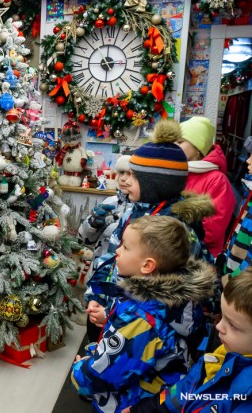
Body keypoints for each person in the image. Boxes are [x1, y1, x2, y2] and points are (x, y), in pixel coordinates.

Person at [84, 119, 214, 340]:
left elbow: (165, 294)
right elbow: (112, 256)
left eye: (134, 176)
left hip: (141, 330)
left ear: (156, 183)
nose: (126, 180)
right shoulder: (133, 211)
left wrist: (115, 312)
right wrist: (98, 294)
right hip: (114, 313)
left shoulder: (175, 230)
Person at [72, 216, 217, 413]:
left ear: (147, 266)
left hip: (129, 401)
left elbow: (104, 375)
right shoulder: (169, 298)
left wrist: (80, 369)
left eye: (125, 247)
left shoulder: (140, 318)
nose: (117, 250)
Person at [123, 268, 252, 413]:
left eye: (233, 325)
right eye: (222, 316)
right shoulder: (221, 352)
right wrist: (145, 409)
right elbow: (183, 390)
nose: (219, 326)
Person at [79, 154, 132, 342]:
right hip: (98, 279)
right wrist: (93, 222)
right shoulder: (109, 202)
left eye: (130, 174)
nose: (124, 178)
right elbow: (84, 238)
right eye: (121, 173)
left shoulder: (141, 211)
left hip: (122, 287)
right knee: (93, 335)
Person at [177, 116, 235, 257]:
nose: (174, 146)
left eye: (180, 141)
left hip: (199, 256)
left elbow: (213, 226)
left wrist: (176, 241)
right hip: (170, 251)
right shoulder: (176, 171)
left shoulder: (217, 180)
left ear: (198, 148)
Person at [223, 136, 252, 276]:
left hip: (240, 286)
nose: (248, 160)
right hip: (233, 270)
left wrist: (230, 281)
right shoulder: (249, 190)